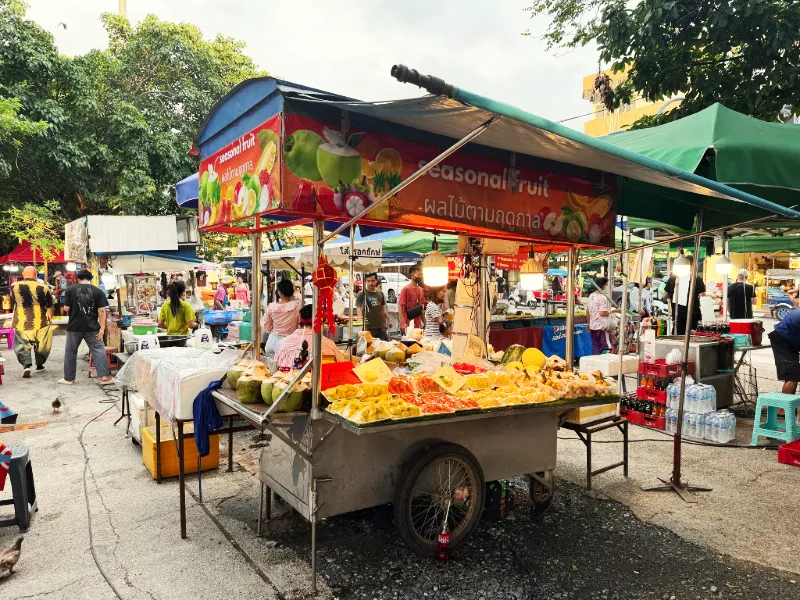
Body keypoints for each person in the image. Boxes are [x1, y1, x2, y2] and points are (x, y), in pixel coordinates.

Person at [59, 269, 114, 384]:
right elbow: (102, 311)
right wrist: (102, 328)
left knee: (71, 351)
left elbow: (66, 309)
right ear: (90, 279)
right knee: (98, 350)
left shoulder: (70, 289)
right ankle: (104, 377)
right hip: (92, 327)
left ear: (78, 279)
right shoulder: (98, 291)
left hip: (74, 327)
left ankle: (69, 379)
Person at [10, 265, 55, 378]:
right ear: (36, 275)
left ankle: (27, 366)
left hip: (21, 321)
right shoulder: (44, 287)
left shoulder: (14, 286)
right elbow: (50, 307)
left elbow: (13, 303)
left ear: (23, 275)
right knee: (42, 345)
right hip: (40, 322)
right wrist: (50, 318)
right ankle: (39, 365)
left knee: (22, 344)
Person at [274, 304, 347, 369]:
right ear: (323, 323)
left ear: (300, 322)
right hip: (319, 383)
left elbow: (275, 367)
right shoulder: (328, 345)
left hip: (286, 383)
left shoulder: (283, 343)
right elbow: (342, 367)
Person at [663, 256, 706, 334]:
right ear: (692, 265)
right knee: (692, 337)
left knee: (677, 337)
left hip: (677, 315)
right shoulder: (696, 279)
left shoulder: (673, 278)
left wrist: (674, 296)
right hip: (693, 315)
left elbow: (665, 295)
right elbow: (702, 296)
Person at [263, 279, 300, 360]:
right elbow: (299, 326)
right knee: (285, 370)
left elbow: (266, 326)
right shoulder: (297, 306)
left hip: (271, 341)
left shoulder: (271, 306)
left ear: (280, 292)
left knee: (271, 369)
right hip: (288, 343)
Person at [769, 307, 800, 394]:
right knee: (792, 376)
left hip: (790, 338)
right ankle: (784, 407)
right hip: (782, 338)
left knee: (794, 374)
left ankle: (789, 406)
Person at [586, 277, 618, 355]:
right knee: (606, 348)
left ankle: (597, 365)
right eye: (606, 285)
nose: (607, 287)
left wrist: (588, 323)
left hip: (593, 326)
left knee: (596, 347)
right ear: (603, 286)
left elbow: (587, 310)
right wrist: (615, 311)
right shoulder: (603, 298)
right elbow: (602, 313)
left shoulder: (591, 295)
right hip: (602, 327)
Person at [356, 272, 388, 341]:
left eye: (373, 281)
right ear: (365, 281)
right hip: (368, 328)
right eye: (368, 281)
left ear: (376, 281)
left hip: (380, 328)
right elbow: (359, 309)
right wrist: (361, 324)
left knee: (385, 346)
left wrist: (385, 323)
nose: (370, 283)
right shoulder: (361, 294)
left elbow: (382, 309)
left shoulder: (380, 293)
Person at [398, 264, 426, 331]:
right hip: (407, 323)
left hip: (417, 323)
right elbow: (400, 306)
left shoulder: (420, 289)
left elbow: (421, 306)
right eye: (419, 274)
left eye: (422, 274)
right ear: (412, 275)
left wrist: (424, 320)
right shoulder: (405, 289)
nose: (420, 276)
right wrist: (403, 322)